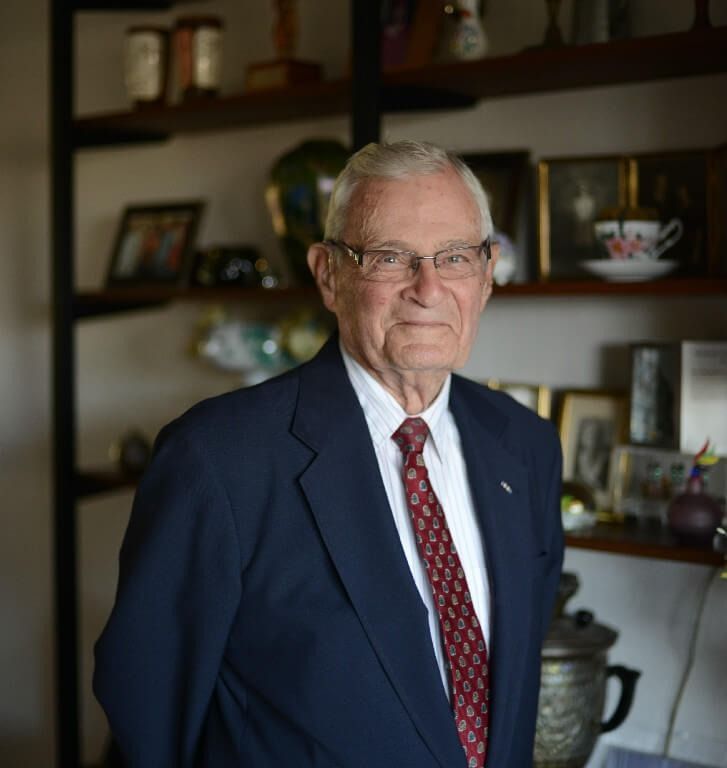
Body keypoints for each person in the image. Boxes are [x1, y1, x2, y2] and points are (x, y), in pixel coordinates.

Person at [94, 140, 564, 768]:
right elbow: (148, 705)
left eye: (454, 257)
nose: (427, 289)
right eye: (391, 257)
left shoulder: (525, 445)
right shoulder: (217, 459)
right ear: (328, 275)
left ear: (485, 276)